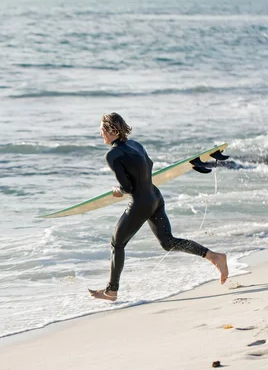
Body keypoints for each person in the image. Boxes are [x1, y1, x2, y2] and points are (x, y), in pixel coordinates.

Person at [88, 113, 229, 302]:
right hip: (155, 196)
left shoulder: (112, 155)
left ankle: (111, 291)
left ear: (111, 130)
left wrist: (118, 190)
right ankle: (213, 256)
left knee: (117, 243)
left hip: (140, 203)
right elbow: (150, 166)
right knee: (167, 242)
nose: (101, 135)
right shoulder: (136, 145)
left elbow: (128, 187)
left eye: (102, 131)